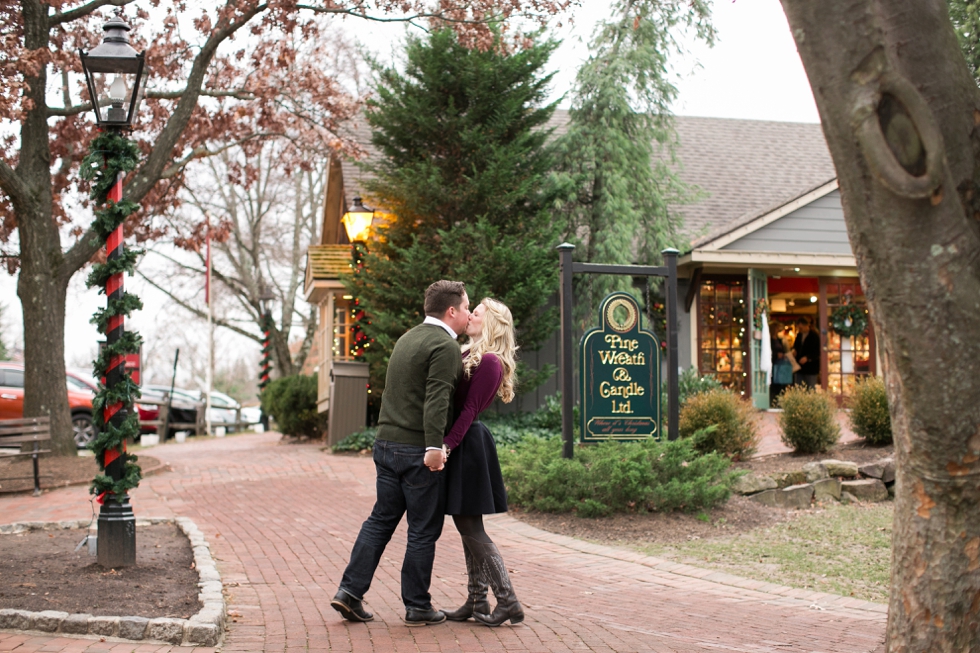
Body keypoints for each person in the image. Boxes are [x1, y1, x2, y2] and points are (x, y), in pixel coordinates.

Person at [331, 280, 470, 627]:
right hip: (416, 450)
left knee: (380, 520)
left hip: (385, 445)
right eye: (466, 307)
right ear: (451, 310)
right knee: (423, 529)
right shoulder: (445, 346)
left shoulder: (408, 338)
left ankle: (349, 592)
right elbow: (438, 398)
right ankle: (418, 605)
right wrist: (435, 447)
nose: (469, 314)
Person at [441, 298, 524, 627]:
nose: (469, 315)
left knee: (470, 525)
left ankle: (508, 601)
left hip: (468, 445)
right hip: (463, 443)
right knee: (466, 524)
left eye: (476, 313)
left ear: (492, 324)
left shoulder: (490, 361)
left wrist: (447, 445)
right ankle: (477, 601)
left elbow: (469, 410)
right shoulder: (468, 353)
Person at [793, 316, 821, 389]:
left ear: (806, 325)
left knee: (811, 388)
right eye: (799, 328)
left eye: (801, 328)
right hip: (799, 368)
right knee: (799, 389)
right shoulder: (799, 335)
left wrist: (808, 358)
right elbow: (796, 347)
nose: (800, 330)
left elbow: (818, 351)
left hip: (811, 368)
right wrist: (795, 351)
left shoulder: (814, 336)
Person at [769, 320, 792, 406]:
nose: (778, 329)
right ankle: (772, 402)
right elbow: (768, 352)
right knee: (773, 385)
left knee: (781, 384)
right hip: (773, 364)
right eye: (776, 328)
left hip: (781, 365)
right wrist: (775, 355)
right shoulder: (769, 340)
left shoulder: (779, 339)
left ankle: (778, 402)